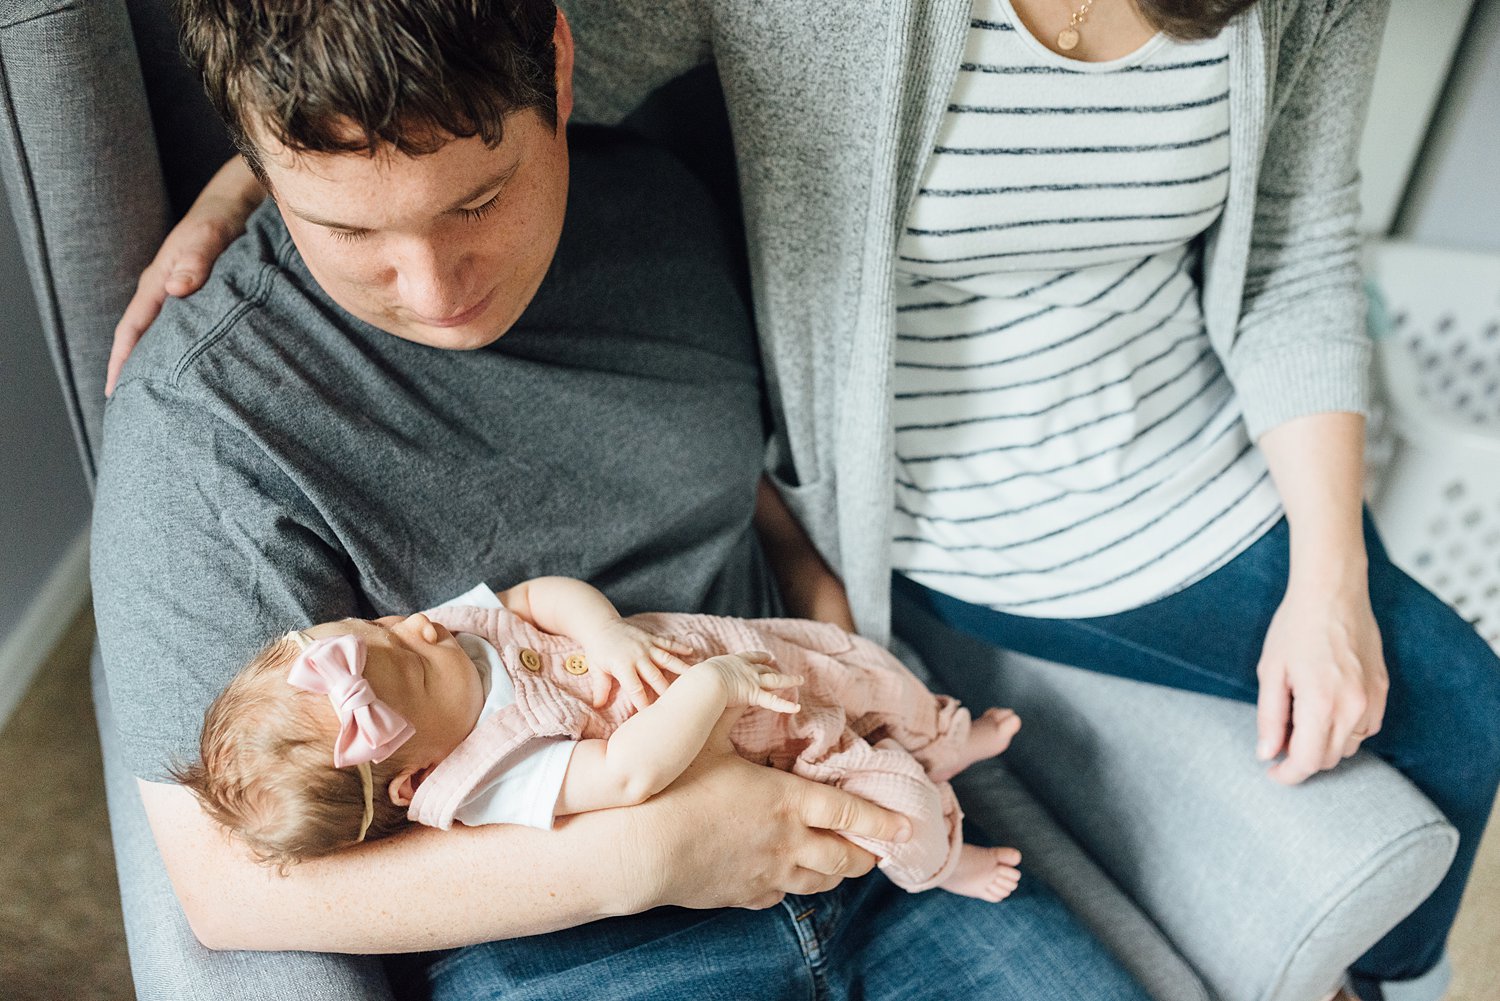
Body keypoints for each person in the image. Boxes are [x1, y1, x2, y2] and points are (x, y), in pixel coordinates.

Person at [116, 2, 1500, 998]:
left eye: (477, 199)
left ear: (556, 60)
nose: (433, 288)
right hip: (578, 934)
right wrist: (651, 850)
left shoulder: (658, 215)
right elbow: (225, 888)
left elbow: (732, 467)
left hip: (852, 836)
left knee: (1452, 695)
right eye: (348, 229)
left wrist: (810, 579)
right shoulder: (212, 413)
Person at [178, 578, 1027, 900]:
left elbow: (536, 597)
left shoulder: (431, 639)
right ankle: (944, 858)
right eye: (414, 662)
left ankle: (939, 734)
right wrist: (716, 688)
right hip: (759, 735)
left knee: (860, 669)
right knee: (891, 809)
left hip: (728, 646)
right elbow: (626, 772)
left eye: (384, 625)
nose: (422, 631)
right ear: (415, 781)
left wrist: (609, 630)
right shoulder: (490, 775)